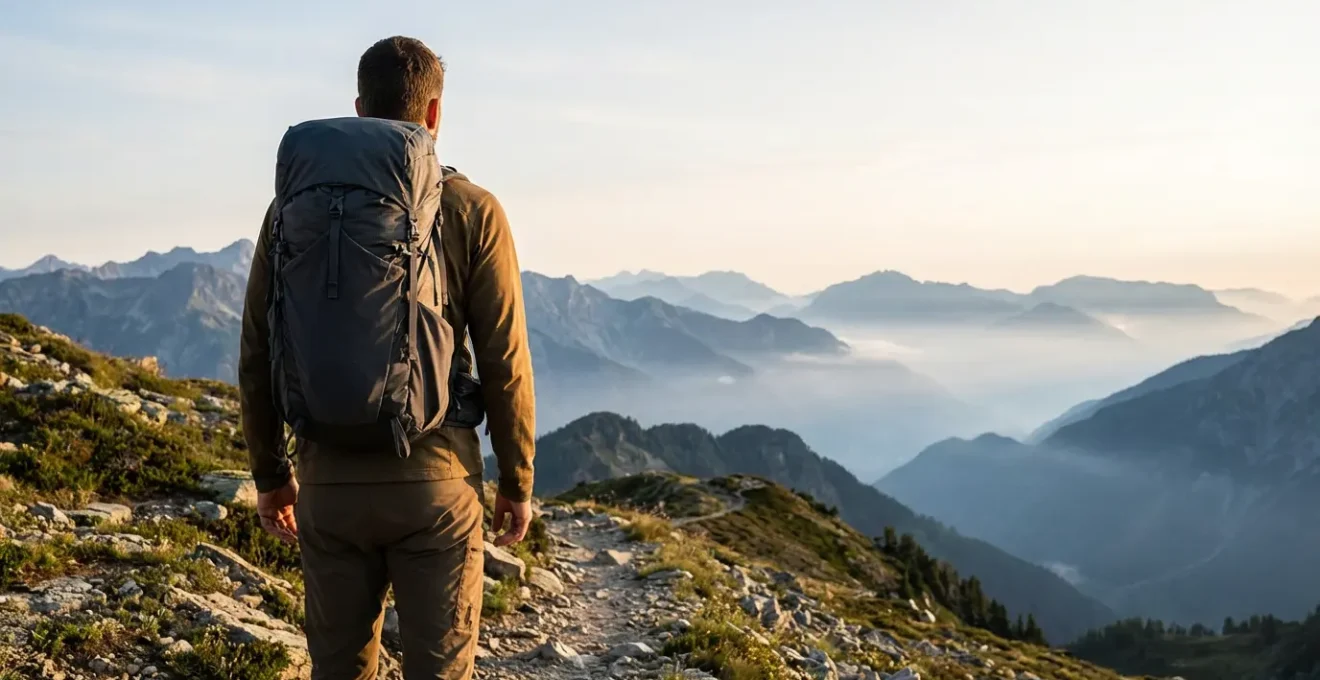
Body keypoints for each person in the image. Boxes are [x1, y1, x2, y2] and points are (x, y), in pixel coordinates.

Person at [238, 35, 536, 680]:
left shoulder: (291, 209)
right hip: (436, 486)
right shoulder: (473, 209)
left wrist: (270, 475)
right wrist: (517, 479)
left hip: (326, 484)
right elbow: (504, 357)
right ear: (434, 113)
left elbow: (258, 347)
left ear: (358, 108)